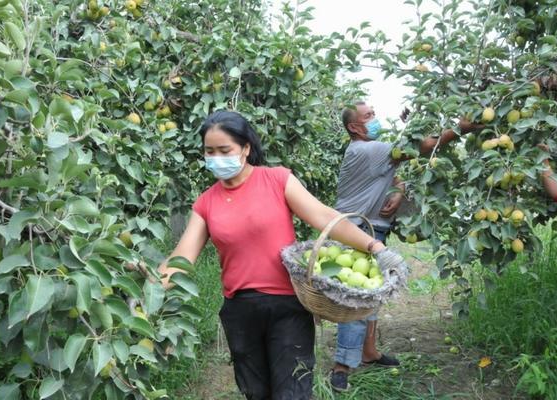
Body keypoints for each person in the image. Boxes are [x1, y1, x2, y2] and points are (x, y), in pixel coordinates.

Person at [157, 110, 409, 400]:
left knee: (293, 391)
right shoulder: (206, 203)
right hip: (240, 311)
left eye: (224, 150)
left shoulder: (277, 180)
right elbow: (181, 258)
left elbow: (324, 217)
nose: (216, 158)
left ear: (246, 148)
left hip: (287, 307)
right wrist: (145, 292)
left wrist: (375, 248)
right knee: (255, 392)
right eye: (209, 151)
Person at [329, 101, 483, 392]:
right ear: (354, 127)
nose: (374, 119)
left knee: (373, 294)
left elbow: (394, 172)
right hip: (354, 231)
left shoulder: (374, 152)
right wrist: (459, 129)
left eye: (374, 113)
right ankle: (342, 365)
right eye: (368, 116)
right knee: (355, 298)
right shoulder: (366, 150)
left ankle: (369, 352)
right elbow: (421, 147)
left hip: (373, 229)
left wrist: (398, 191)